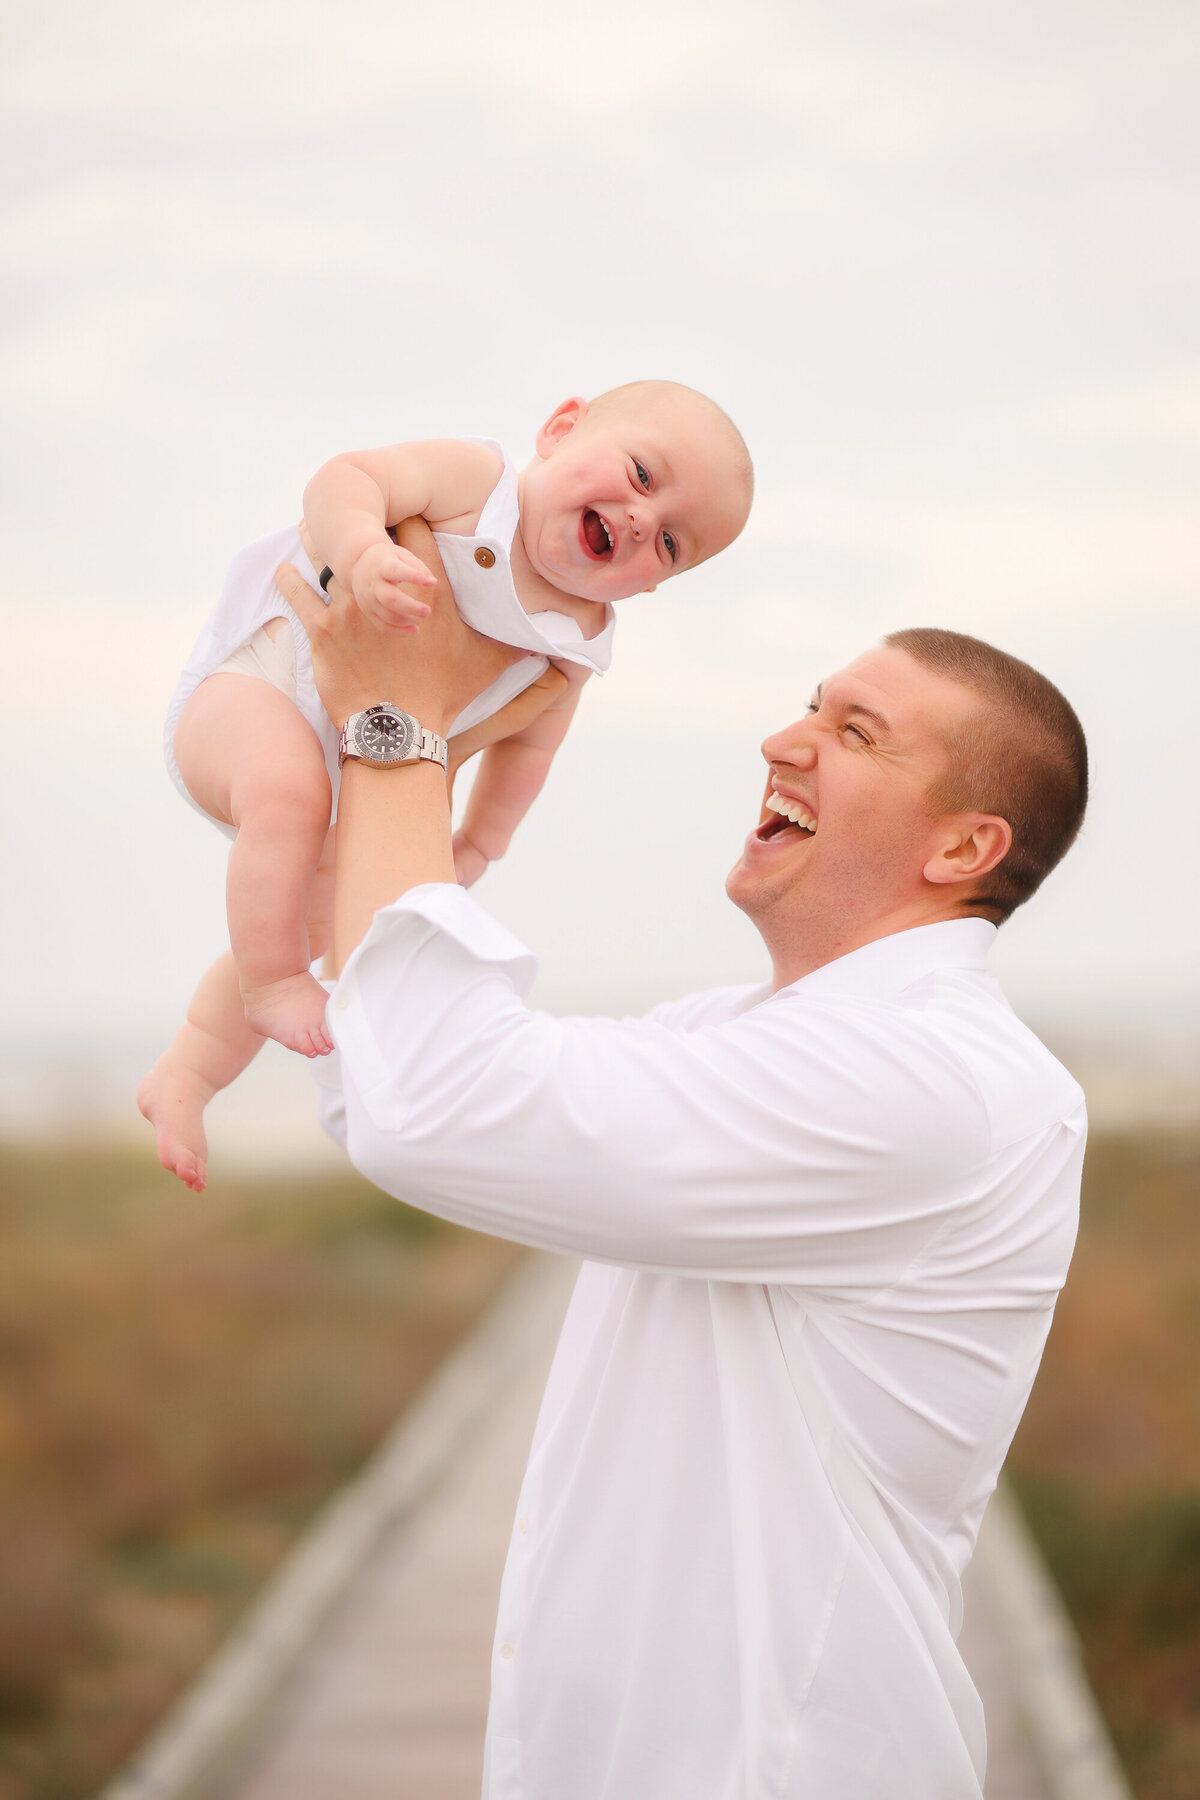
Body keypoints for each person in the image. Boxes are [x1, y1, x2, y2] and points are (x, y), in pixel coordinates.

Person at [278, 530, 1089, 1800]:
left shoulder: (938, 1084)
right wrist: (361, 749)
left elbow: (441, 1099)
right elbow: (391, 1084)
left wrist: (396, 718)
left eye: (858, 732)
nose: (784, 738)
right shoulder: (739, 1035)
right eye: (811, 705)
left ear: (962, 851)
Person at [139, 382, 753, 1192]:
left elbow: (530, 746)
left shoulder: (575, 643)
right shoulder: (477, 483)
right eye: (642, 474)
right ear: (561, 429)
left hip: (354, 776)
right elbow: (345, 477)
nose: (644, 520)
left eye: (672, 543)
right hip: (255, 686)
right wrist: (361, 549)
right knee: (286, 796)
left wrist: (480, 841)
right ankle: (271, 984)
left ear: (652, 587)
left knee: (313, 917)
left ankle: (189, 1072)